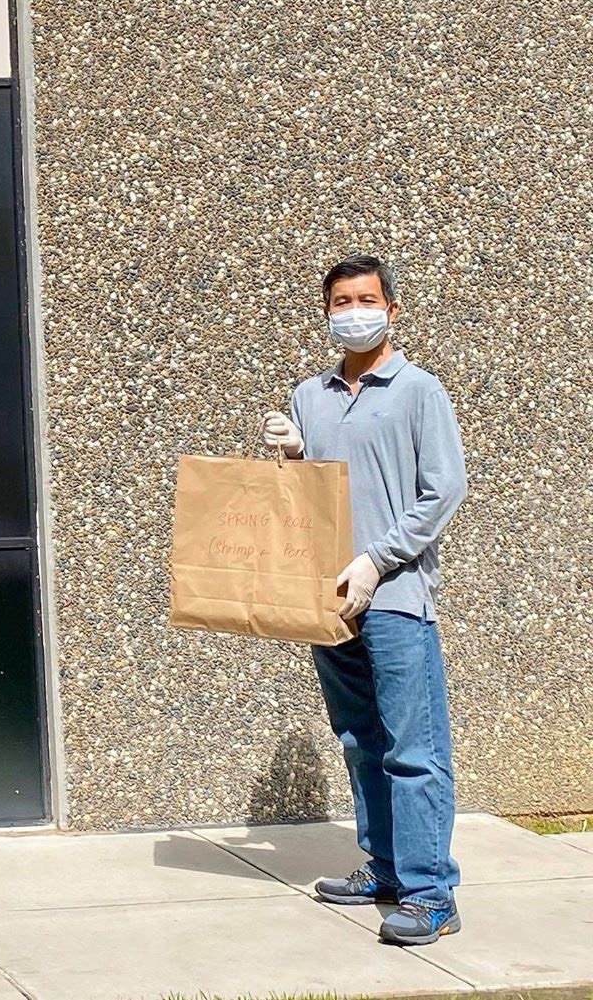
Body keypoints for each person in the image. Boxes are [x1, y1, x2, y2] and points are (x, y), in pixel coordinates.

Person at [261, 255, 468, 946]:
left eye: (367, 298)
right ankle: (383, 867)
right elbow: (306, 501)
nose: (355, 310)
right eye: (342, 301)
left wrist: (378, 561)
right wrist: (290, 457)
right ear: (327, 314)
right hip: (328, 596)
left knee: (415, 748)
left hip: (394, 594)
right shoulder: (310, 395)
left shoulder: (417, 390)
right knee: (359, 740)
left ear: (392, 310)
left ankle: (431, 892)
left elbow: (443, 491)